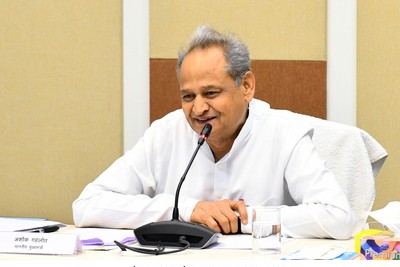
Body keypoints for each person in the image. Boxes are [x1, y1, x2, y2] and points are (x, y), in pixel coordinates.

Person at [72, 25, 356, 239]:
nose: (197, 109)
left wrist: (244, 219)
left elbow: (339, 218)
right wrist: (188, 209)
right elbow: (87, 206)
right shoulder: (165, 133)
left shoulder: (285, 132)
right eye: (187, 96)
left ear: (246, 86)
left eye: (210, 93)